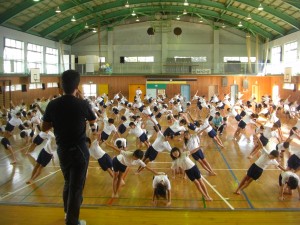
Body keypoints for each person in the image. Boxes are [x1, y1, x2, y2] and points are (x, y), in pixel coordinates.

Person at [41, 70, 96, 225]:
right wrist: (82, 99)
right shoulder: (82, 104)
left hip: (63, 150)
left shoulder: (53, 104)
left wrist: (59, 121)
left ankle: (67, 214)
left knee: (68, 183)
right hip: (79, 150)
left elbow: (44, 128)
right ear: (77, 86)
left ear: (61, 85)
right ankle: (72, 222)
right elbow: (93, 120)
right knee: (76, 187)